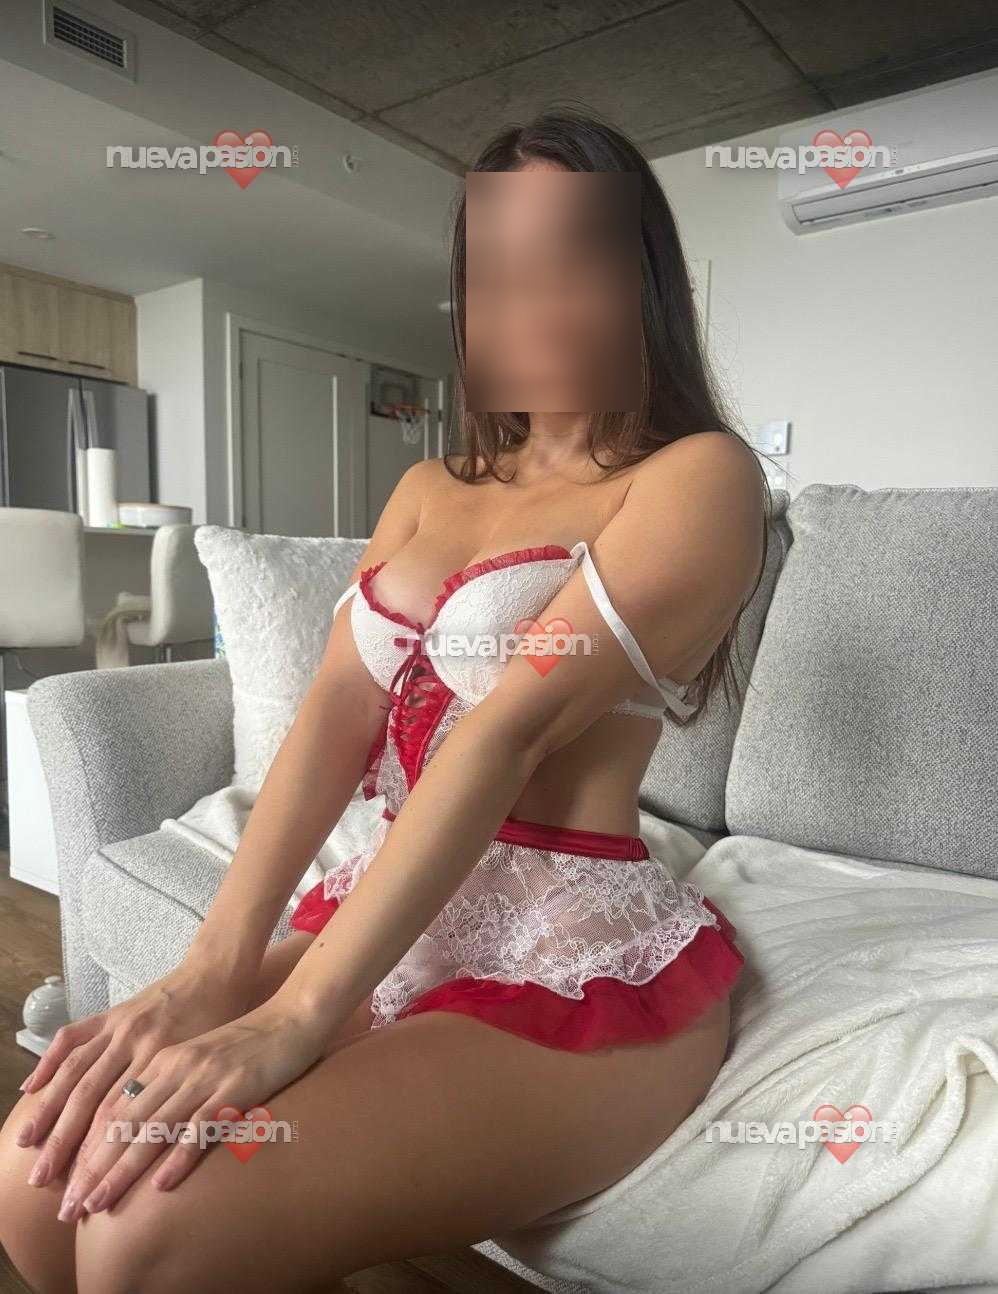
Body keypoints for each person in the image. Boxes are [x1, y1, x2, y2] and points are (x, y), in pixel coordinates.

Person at [0, 108, 770, 1293]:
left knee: (141, 1233)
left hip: (569, 946)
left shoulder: (696, 476)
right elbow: (333, 713)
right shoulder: (426, 486)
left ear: (640, 279)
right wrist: (213, 968)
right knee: (31, 1174)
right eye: (495, 265)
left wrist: (302, 1011)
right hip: (394, 901)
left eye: (568, 256)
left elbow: (508, 729)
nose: (528, 296)